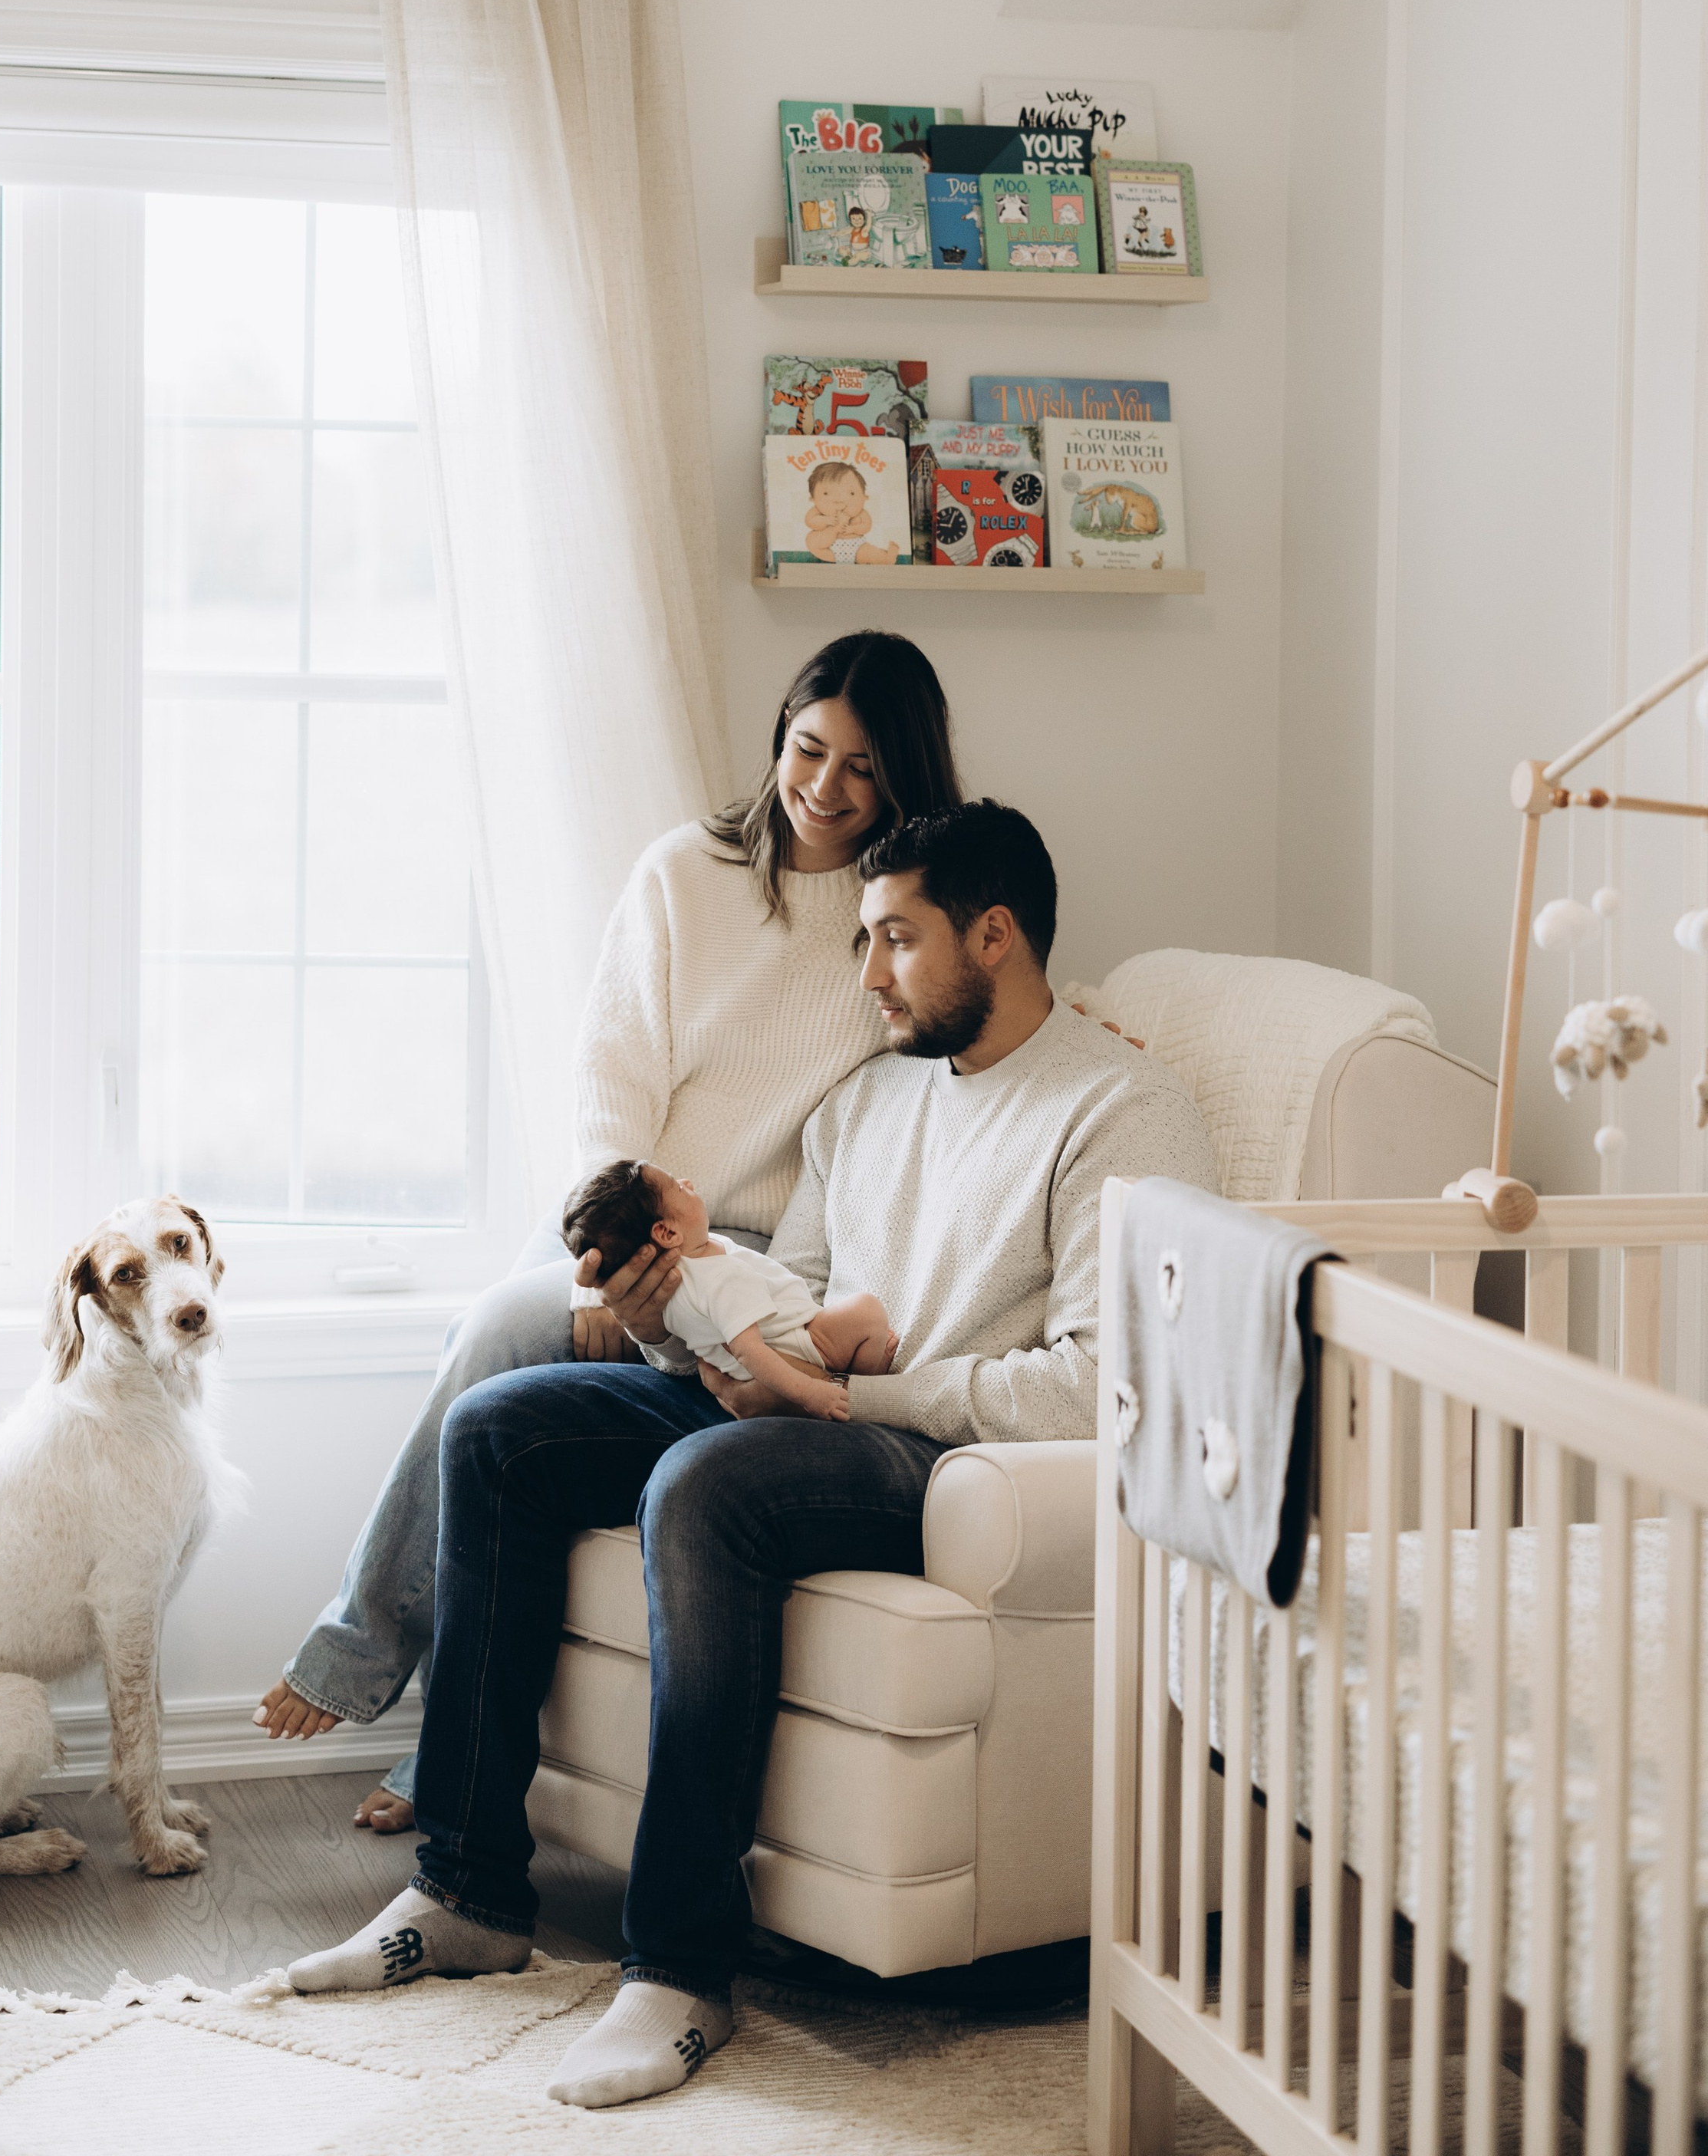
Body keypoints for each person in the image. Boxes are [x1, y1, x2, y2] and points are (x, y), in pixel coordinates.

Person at [284, 800, 1219, 2108]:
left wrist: (852, 1407)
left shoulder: (1120, 1111)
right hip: (806, 1408)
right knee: (504, 1429)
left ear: (994, 935)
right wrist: (692, 1331)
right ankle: (468, 1889)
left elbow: (1100, 1386)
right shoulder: (868, 1107)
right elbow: (803, 1296)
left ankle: (678, 1970)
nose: (870, 975)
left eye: (896, 940)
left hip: (938, 1465)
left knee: (706, 1485)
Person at [252, 630, 963, 1829]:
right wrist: (605, 1254)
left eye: (864, 768)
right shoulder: (686, 874)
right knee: (495, 1337)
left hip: (753, 1263)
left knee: (493, 1359)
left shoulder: (898, 918)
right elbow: (610, 1077)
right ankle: (385, 1678)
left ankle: (399, 1706)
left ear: (905, 778)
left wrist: (1088, 1018)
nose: (826, 790)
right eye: (807, 750)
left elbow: (977, 1007)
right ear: (778, 736)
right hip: (626, 1208)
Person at [560, 1157, 897, 1420]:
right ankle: (868, 1377)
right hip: (800, 1345)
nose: (687, 1183)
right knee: (867, 1312)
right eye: (678, 1189)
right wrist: (812, 1393)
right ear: (667, 1233)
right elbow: (749, 1351)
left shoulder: (678, 1276)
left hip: (754, 1370)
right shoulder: (719, 1278)